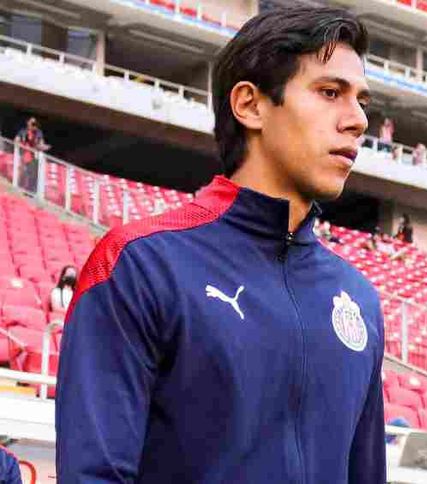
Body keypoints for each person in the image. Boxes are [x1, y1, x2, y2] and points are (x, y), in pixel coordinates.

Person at [57, 5, 385, 483]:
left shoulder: (358, 300)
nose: (357, 120)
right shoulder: (141, 265)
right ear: (250, 105)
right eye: (330, 92)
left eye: (362, 102)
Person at [13, 117, 48, 193]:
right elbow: (16, 140)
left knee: (32, 174)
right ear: (28, 122)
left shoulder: (38, 132)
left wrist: (42, 147)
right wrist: (21, 144)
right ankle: (19, 186)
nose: (33, 125)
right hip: (23, 154)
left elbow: (41, 144)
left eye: (35, 123)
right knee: (22, 171)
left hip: (34, 157)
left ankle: (30, 191)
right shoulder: (23, 131)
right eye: (32, 123)